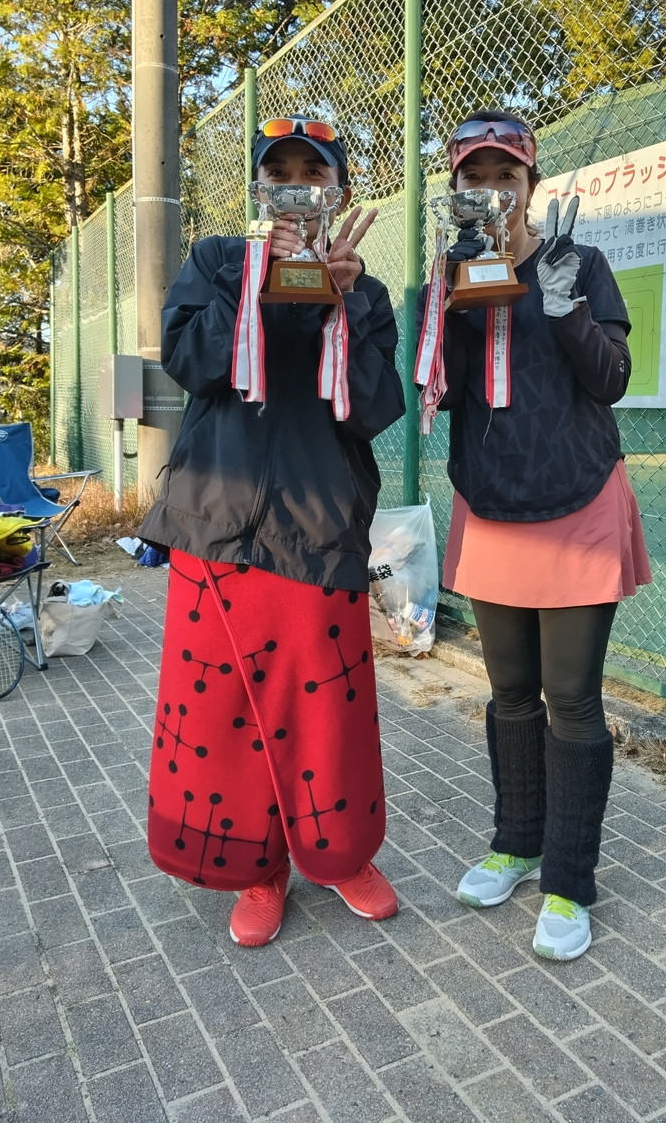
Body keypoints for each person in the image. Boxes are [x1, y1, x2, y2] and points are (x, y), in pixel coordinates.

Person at [140, 115, 406, 946]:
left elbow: (374, 409)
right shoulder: (216, 260)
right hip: (217, 526)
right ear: (259, 188)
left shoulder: (366, 290)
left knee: (329, 711)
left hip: (319, 528)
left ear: (340, 190)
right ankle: (258, 868)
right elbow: (189, 362)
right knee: (229, 716)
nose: (295, 186)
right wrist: (255, 284)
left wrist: (342, 306)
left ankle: (342, 854)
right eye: (279, 172)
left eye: (312, 172)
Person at [420, 109, 651, 961]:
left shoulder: (580, 262)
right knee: (510, 691)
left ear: (531, 183)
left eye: (505, 175)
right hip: (492, 503)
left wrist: (563, 306)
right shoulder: (449, 271)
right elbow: (438, 384)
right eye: (474, 178)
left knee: (572, 697)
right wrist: (446, 300)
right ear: (456, 191)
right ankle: (515, 842)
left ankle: (570, 879)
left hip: (577, 500)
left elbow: (613, 377)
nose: (492, 191)